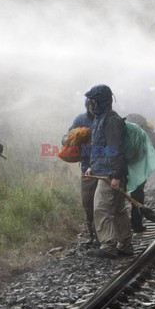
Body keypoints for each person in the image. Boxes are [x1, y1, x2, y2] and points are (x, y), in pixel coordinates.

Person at [84, 84, 133, 259]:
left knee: (101, 208)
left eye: (93, 100)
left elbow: (115, 148)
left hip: (110, 174)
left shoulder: (111, 120)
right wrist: (93, 167)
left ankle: (108, 246)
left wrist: (116, 176)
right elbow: (101, 147)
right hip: (106, 171)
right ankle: (125, 244)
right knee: (118, 210)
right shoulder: (101, 119)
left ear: (100, 102)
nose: (90, 103)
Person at [63, 99, 98, 244]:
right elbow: (66, 137)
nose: (94, 109)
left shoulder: (106, 120)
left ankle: (106, 236)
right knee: (88, 203)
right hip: (87, 169)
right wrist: (69, 139)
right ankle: (94, 235)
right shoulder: (80, 120)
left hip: (106, 168)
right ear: (87, 106)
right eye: (92, 106)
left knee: (105, 205)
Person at [125, 113, 155, 233]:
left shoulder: (124, 129)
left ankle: (119, 229)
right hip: (140, 168)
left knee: (117, 198)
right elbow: (153, 148)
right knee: (138, 195)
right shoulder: (149, 132)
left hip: (123, 166)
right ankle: (137, 224)